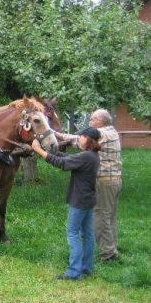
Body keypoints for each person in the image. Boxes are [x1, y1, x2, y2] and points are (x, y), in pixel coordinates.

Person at [32, 127, 101, 280]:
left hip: (79, 201)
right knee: (87, 235)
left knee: (72, 233)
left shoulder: (86, 157)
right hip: (88, 199)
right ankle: (86, 268)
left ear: (88, 139)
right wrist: (50, 150)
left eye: (81, 136)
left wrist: (39, 150)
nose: (79, 138)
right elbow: (66, 158)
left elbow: (62, 164)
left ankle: (74, 272)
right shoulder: (92, 156)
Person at [56, 109, 122, 262]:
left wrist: (58, 135)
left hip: (104, 181)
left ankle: (108, 255)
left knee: (101, 217)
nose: (90, 122)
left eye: (92, 119)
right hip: (115, 180)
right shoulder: (113, 131)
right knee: (110, 215)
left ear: (101, 120)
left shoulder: (102, 134)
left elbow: (79, 139)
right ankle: (111, 248)